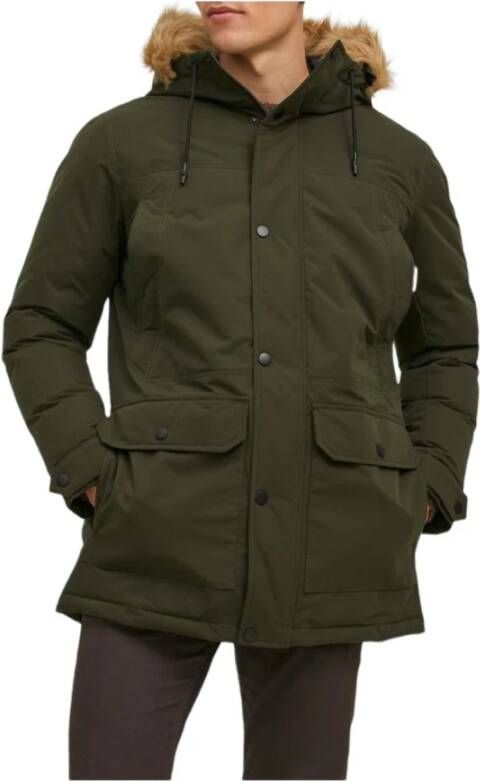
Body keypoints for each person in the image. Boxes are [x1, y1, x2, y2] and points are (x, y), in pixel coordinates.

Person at [2, 2, 478, 779]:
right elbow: (41, 325)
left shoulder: (401, 163)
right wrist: (92, 471)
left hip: (331, 547)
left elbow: (447, 347)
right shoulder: (121, 145)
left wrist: (426, 486)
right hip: (153, 539)